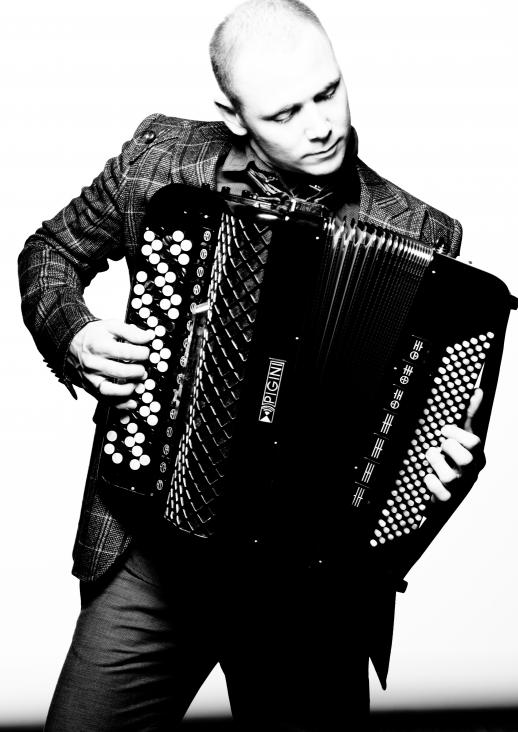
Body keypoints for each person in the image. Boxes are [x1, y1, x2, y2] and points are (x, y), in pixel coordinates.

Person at [18, 1, 484, 729]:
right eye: (286, 112)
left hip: (307, 588)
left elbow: (429, 437)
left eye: (328, 93)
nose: (321, 125)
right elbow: (51, 252)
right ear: (233, 115)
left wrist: (446, 468)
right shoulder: (161, 159)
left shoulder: (419, 233)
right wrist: (75, 333)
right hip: (153, 554)